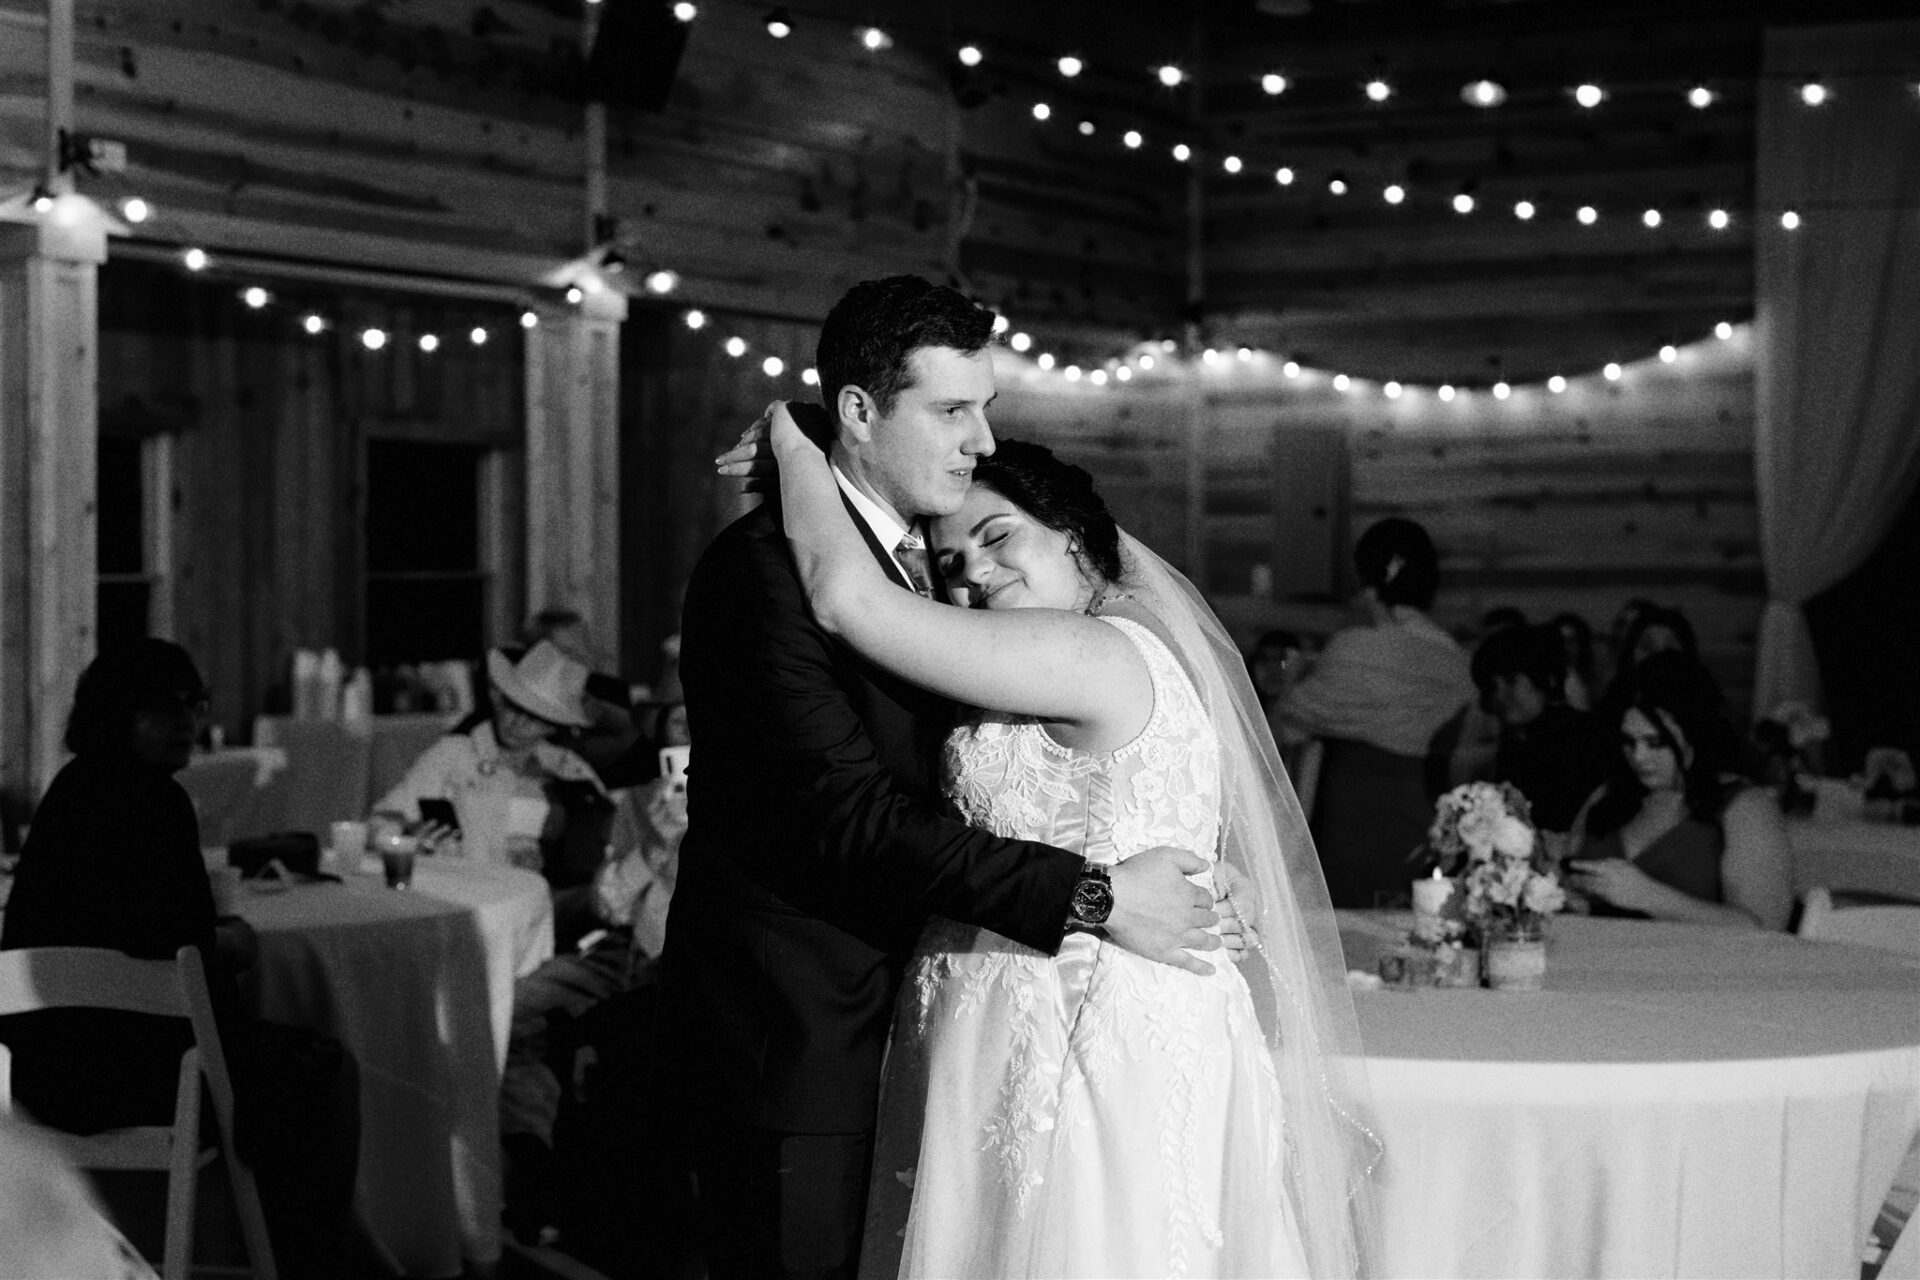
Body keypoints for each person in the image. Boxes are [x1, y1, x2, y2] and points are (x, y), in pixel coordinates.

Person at [667, 276, 1236, 1280]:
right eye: (950, 410)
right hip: (800, 1044)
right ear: (858, 410)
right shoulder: (764, 573)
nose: (977, 439)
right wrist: (1099, 889)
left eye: (985, 410)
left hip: (1009, 1022)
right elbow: (850, 818)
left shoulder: (938, 582)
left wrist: (799, 437)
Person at [762, 412, 1375, 1279]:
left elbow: (846, 601)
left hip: (1085, 1023)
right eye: (949, 563)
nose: (973, 569)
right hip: (1029, 1008)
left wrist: (797, 447)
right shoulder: (1050, 659)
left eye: (997, 535)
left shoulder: (1089, 650)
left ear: (1079, 543)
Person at [0, 639, 359, 1279]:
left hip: (45, 1076)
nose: (188, 723)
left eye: (194, 705)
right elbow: (180, 946)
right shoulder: (156, 801)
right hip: (135, 1077)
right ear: (118, 714)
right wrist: (233, 942)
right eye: (165, 709)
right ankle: (309, 1263)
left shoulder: (67, 792)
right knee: (323, 1070)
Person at [1276, 517, 1477, 907]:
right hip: (1427, 815)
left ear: (1367, 580)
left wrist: (1296, 674)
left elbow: (1289, 722)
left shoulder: (1354, 648)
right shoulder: (1455, 657)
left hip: (1355, 813)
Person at [1564, 651, 1793, 930]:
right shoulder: (1608, 795)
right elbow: (1568, 876)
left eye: (1656, 742)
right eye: (1628, 741)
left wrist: (1649, 896)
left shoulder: (1745, 807)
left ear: (1696, 733)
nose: (1639, 757)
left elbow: (1766, 930)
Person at [375, 639, 609, 874]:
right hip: (465, 889)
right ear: (499, 700)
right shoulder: (455, 754)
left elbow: (603, 846)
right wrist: (407, 834)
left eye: (536, 718)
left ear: (553, 726)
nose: (518, 723)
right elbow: (379, 823)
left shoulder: (571, 771)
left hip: (536, 898)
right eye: (514, 707)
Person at [1471, 623, 1615, 833]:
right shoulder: (1516, 741)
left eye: (1511, 681)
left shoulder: (1579, 736)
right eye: (1493, 686)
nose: (1501, 695)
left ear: (1543, 676)